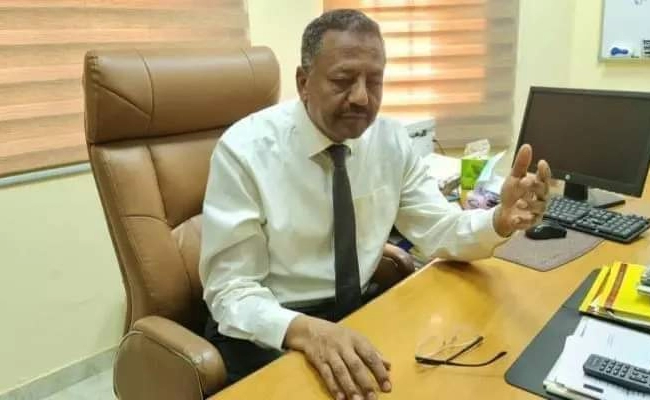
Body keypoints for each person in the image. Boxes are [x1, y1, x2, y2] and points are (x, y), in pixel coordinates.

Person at [199, 8, 550, 400]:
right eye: (343, 80)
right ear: (303, 82)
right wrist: (307, 331)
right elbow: (230, 291)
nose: (362, 97)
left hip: (354, 313)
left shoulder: (390, 142)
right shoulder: (244, 151)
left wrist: (498, 220)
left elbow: (439, 229)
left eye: (375, 81)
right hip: (268, 329)